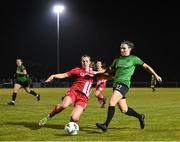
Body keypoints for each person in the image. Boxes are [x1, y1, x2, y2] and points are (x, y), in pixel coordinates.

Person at [96, 40, 162, 131]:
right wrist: (97, 73)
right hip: (116, 85)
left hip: (124, 84)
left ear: (130, 49)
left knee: (111, 102)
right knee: (124, 109)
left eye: (124, 48)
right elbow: (109, 70)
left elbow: (146, 66)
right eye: (121, 48)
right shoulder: (117, 60)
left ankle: (105, 125)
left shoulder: (134, 59)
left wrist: (156, 75)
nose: (122, 50)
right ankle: (140, 116)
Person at [38, 55, 98, 126]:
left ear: (90, 62)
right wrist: (53, 76)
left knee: (74, 118)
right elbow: (64, 75)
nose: (85, 63)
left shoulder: (95, 74)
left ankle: (71, 125)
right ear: (81, 62)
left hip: (83, 97)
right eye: (83, 61)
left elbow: (104, 77)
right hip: (74, 91)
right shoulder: (77, 70)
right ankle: (48, 117)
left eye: (86, 61)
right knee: (64, 105)